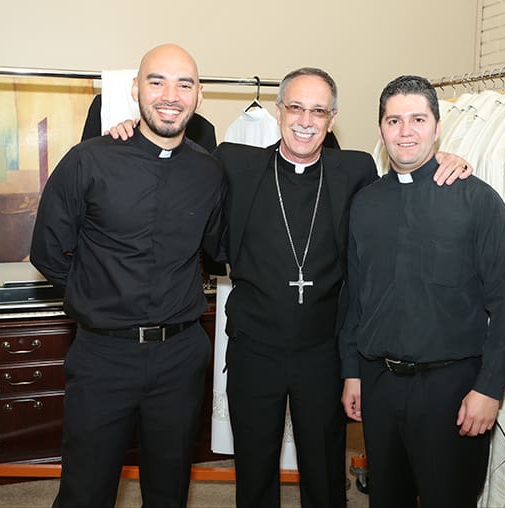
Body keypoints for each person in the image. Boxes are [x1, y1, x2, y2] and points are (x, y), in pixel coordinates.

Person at [109, 67, 472, 508]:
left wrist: (448, 158)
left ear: (332, 118)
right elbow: (174, 155)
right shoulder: (236, 164)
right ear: (279, 111)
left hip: (321, 352)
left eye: (318, 111)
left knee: (324, 474)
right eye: (296, 107)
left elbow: (404, 185)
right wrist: (134, 129)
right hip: (254, 350)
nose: (305, 120)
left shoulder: (354, 169)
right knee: (255, 471)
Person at [30, 43, 226, 508]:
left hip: (180, 356)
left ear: (199, 96)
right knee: (86, 489)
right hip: (104, 356)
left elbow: (215, 251)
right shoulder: (88, 160)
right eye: (157, 81)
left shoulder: (210, 171)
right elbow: (47, 251)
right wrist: (98, 299)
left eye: (185, 84)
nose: (170, 95)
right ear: (135, 89)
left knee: (170, 488)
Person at [339, 75, 505, 508]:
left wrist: (490, 387)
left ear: (438, 126)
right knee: (386, 497)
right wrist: (352, 370)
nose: (406, 131)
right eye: (394, 120)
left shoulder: (477, 201)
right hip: (379, 384)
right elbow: (355, 297)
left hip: (452, 390)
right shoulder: (365, 204)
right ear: (381, 129)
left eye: (418, 119)